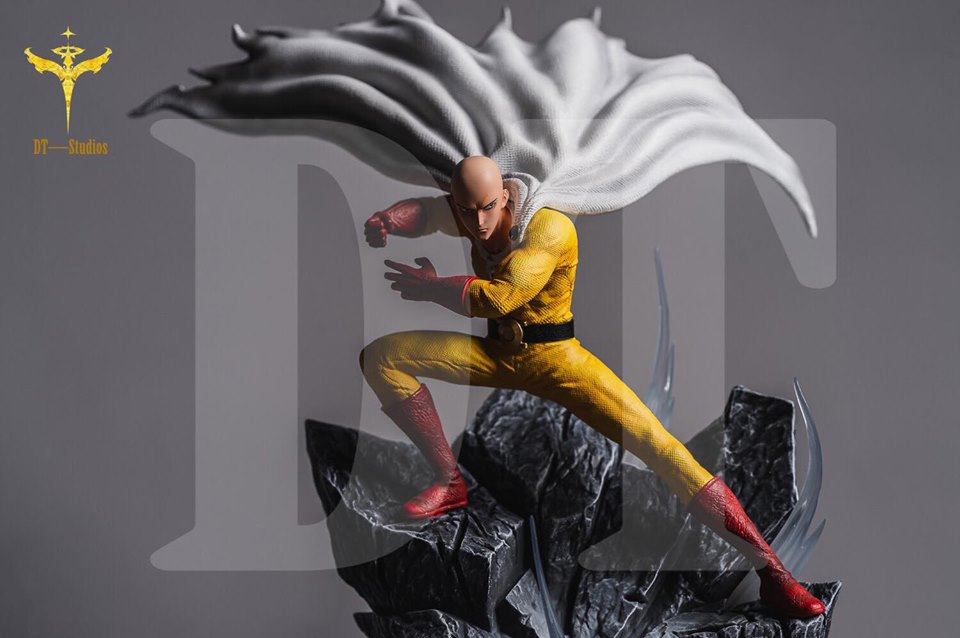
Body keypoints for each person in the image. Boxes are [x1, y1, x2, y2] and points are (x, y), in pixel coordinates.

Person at [359, 155, 825, 618]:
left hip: (557, 360)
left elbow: (501, 297)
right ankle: (449, 481)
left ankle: (773, 572)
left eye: (486, 208)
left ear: (504, 196)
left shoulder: (549, 228)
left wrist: (434, 288)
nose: (477, 223)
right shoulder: (468, 209)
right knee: (381, 358)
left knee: (661, 448)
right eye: (466, 210)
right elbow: (428, 213)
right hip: (497, 354)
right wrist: (390, 220)